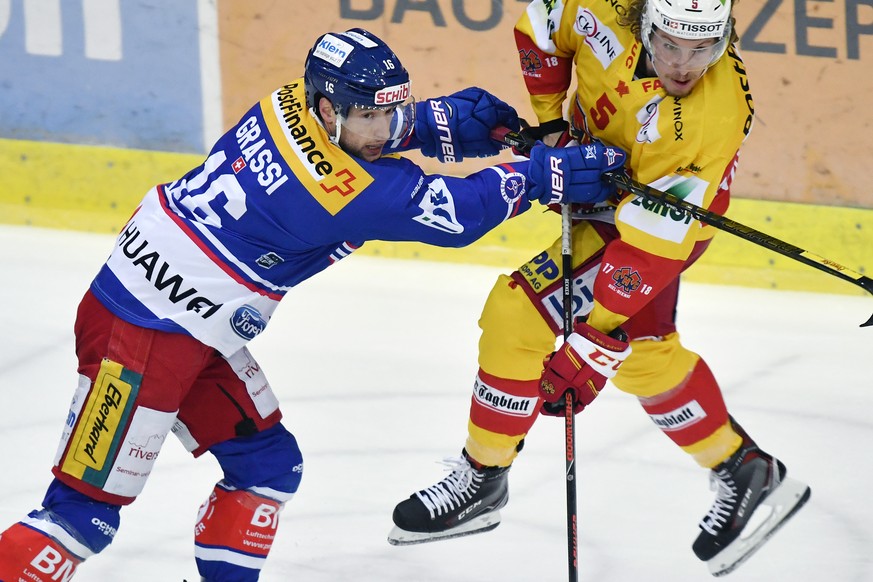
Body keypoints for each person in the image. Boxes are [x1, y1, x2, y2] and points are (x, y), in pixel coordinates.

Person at [0, 28, 627, 582]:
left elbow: (365, 135)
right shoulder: (344, 192)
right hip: (142, 336)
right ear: (328, 108)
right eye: (369, 120)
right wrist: (542, 175)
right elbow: (460, 212)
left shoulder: (286, 103)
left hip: (187, 323)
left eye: (391, 113)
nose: (382, 133)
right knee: (81, 518)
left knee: (268, 467)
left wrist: (435, 122)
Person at [389, 0, 811, 575]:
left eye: (702, 50)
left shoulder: (712, 115)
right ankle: (744, 469)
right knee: (644, 356)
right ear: (643, 24)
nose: (683, 66)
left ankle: (483, 479)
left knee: (517, 318)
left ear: (724, 39)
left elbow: (651, 247)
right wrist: (554, 126)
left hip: (660, 226)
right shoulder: (602, 8)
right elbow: (540, 28)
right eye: (668, 46)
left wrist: (592, 340)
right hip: (607, 193)